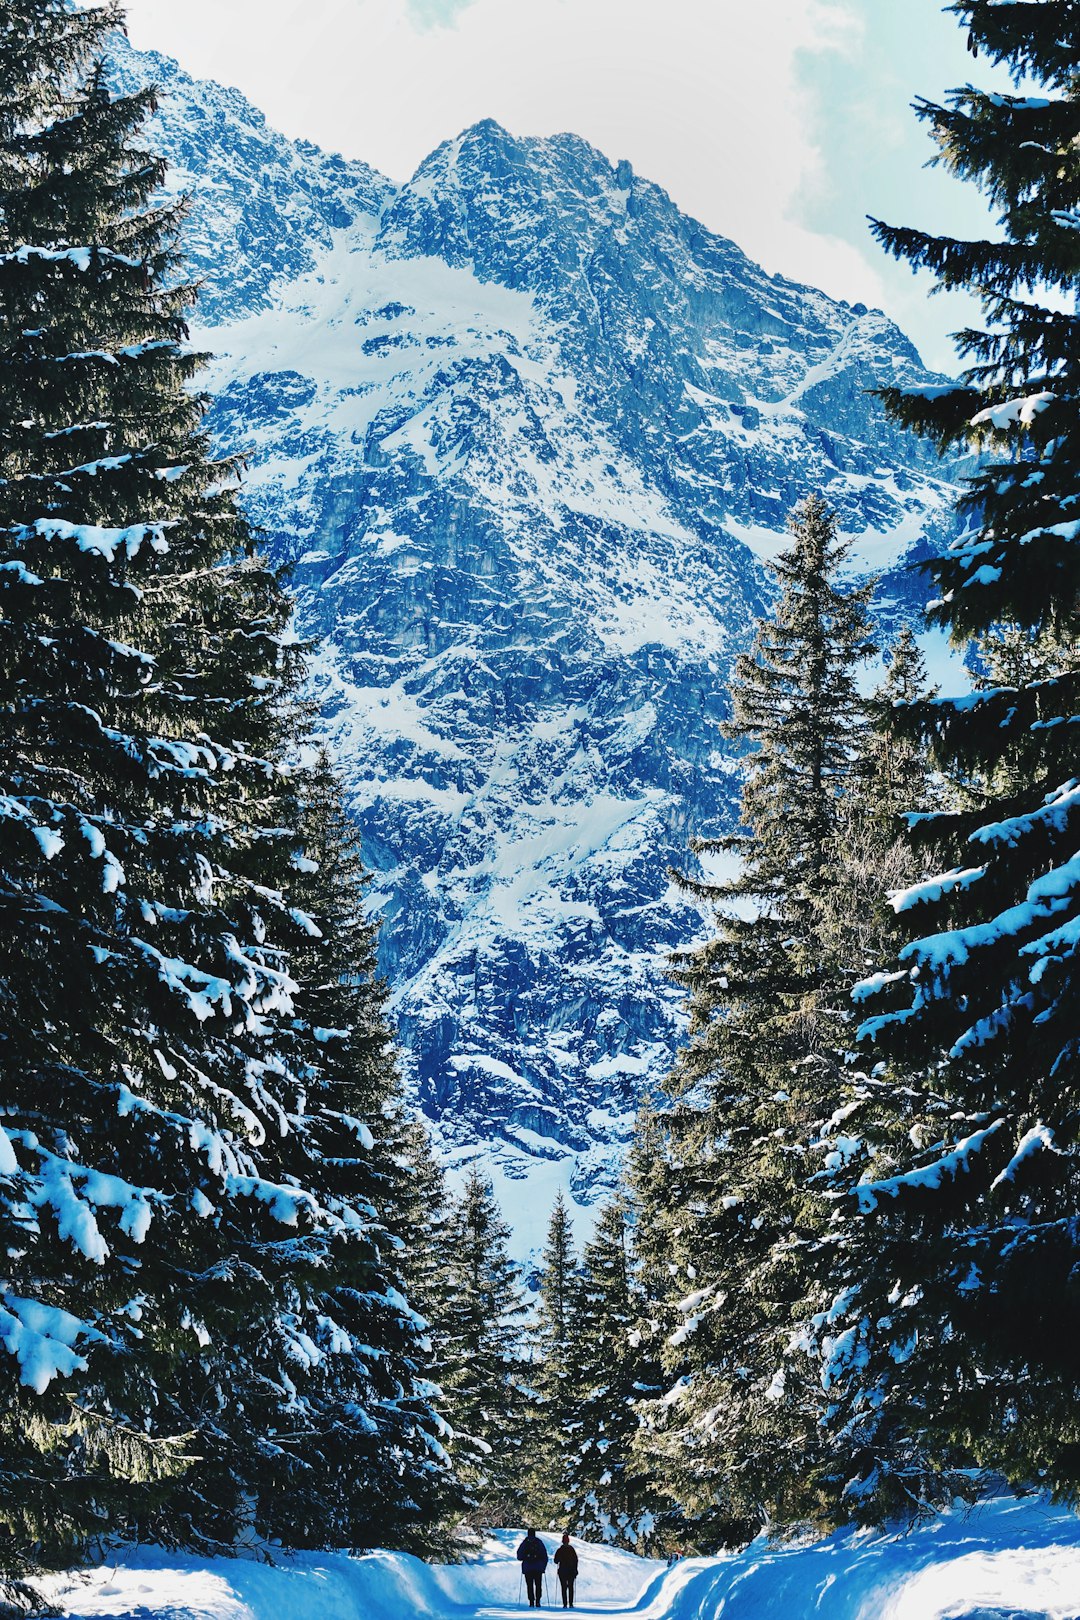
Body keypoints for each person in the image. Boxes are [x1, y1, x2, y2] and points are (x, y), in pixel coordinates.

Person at [517, 1528, 549, 1608]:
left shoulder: (525, 1543)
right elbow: (544, 1556)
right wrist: (543, 1567)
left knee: (529, 1585)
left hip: (528, 1568)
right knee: (538, 1585)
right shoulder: (539, 1542)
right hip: (538, 1568)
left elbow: (519, 1556)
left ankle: (531, 1601)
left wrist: (526, 1557)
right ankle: (538, 1601)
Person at [553, 1534, 578, 1609]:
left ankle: (565, 1603)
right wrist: (575, 1569)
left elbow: (555, 1561)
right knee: (570, 1587)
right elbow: (576, 1560)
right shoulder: (572, 1549)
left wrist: (559, 1559)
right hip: (571, 1571)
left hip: (562, 1571)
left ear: (562, 1541)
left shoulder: (560, 1550)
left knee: (563, 1587)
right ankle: (570, 1603)